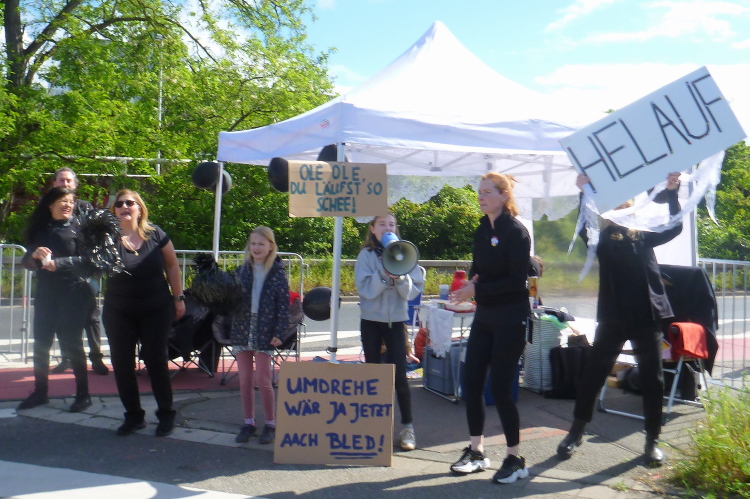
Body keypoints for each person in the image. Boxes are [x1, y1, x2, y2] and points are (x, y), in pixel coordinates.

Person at [556, 172, 683, 466]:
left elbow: (674, 226)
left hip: (646, 315)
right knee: (594, 373)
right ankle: (576, 431)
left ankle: (652, 441)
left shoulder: (643, 234)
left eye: (624, 205)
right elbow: (583, 226)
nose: (620, 209)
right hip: (614, 316)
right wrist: (584, 192)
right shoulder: (602, 238)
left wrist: (672, 193)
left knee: (653, 378)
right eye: (614, 206)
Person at [449, 172, 531, 484]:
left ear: (503, 196)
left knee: (500, 388)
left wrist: (477, 290)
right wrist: (470, 283)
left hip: (511, 318)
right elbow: (479, 267)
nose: (481, 197)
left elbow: (516, 281)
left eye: (487, 192)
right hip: (485, 317)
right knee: (471, 383)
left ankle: (515, 458)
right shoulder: (483, 228)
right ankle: (476, 451)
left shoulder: (517, 232)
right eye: (479, 192)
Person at [103, 190, 185, 437]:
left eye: (130, 203)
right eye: (119, 204)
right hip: (119, 310)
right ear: (114, 211)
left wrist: (178, 297)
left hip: (156, 308)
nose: (124, 207)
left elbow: (172, 265)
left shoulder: (156, 234)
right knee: (122, 363)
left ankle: (166, 414)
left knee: (155, 360)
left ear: (140, 208)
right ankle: (134, 416)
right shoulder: (106, 238)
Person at [17, 187, 94, 412]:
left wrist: (58, 264)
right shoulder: (39, 229)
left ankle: (83, 395)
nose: (68, 204)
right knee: (41, 343)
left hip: (73, 292)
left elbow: (89, 260)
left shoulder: (80, 227)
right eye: (62, 200)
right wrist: (33, 256)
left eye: (70, 201)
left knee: (73, 343)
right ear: (50, 204)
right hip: (46, 293)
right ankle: (40, 392)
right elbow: (26, 261)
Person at [355, 213, 424, 451]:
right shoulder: (365, 256)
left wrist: (401, 276)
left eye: (392, 224)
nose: (387, 228)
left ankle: (407, 428)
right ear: (372, 229)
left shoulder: (405, 253)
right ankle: (375, 426)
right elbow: (365, 290)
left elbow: (411, 293)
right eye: (382, 224)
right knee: (373, 375)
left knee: (400, 377)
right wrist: (384, 274)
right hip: (370, 321)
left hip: (396, 322)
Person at [231, 227, 291, 445]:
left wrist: (279, 332)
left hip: (265, 328)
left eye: (261, 244)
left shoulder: (277, 273)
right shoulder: (241, 271)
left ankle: (270, 423)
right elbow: (231, 301)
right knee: (245, 379)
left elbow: (283, 307)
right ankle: (248, 422)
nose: (256, 248)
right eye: (253, 243)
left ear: (271, 246)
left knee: (264, 379)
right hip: (242, 327)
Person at [49, 167, 109, 376]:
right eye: (61, 180)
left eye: (68, 181)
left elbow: (95, 237)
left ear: (75, 185)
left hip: (82, 271)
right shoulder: (47, 207)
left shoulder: (85, 207)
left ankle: (96, 359)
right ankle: (67, 358)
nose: (65, 184)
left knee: (91, 319)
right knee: (60, 319)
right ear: (54, 184)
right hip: (57, 273)